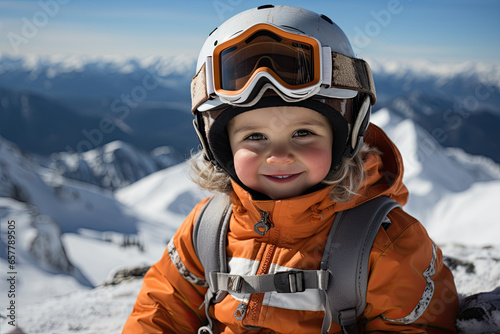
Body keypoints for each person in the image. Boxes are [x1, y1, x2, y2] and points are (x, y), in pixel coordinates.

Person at [123, 5, 459, 333]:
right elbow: (161, 309)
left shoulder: (386, 242)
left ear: (345, 137)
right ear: (220, 146)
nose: (279, 156)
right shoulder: (208, 228)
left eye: (303, 133)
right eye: (255, 137)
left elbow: (419, 325)